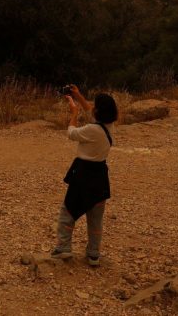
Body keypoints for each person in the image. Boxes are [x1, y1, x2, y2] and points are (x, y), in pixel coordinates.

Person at [51, 85, 118, 266]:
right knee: (95, 219)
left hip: (83, 176)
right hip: (100, 176)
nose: (92, 107)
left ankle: (63, 248)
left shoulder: (91, 130)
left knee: (68, 211)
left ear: (98, 112)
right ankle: (93, 254)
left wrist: (74, 113)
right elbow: (90, 111)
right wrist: (78, 96)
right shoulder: (109, 126)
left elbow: (71, 133)